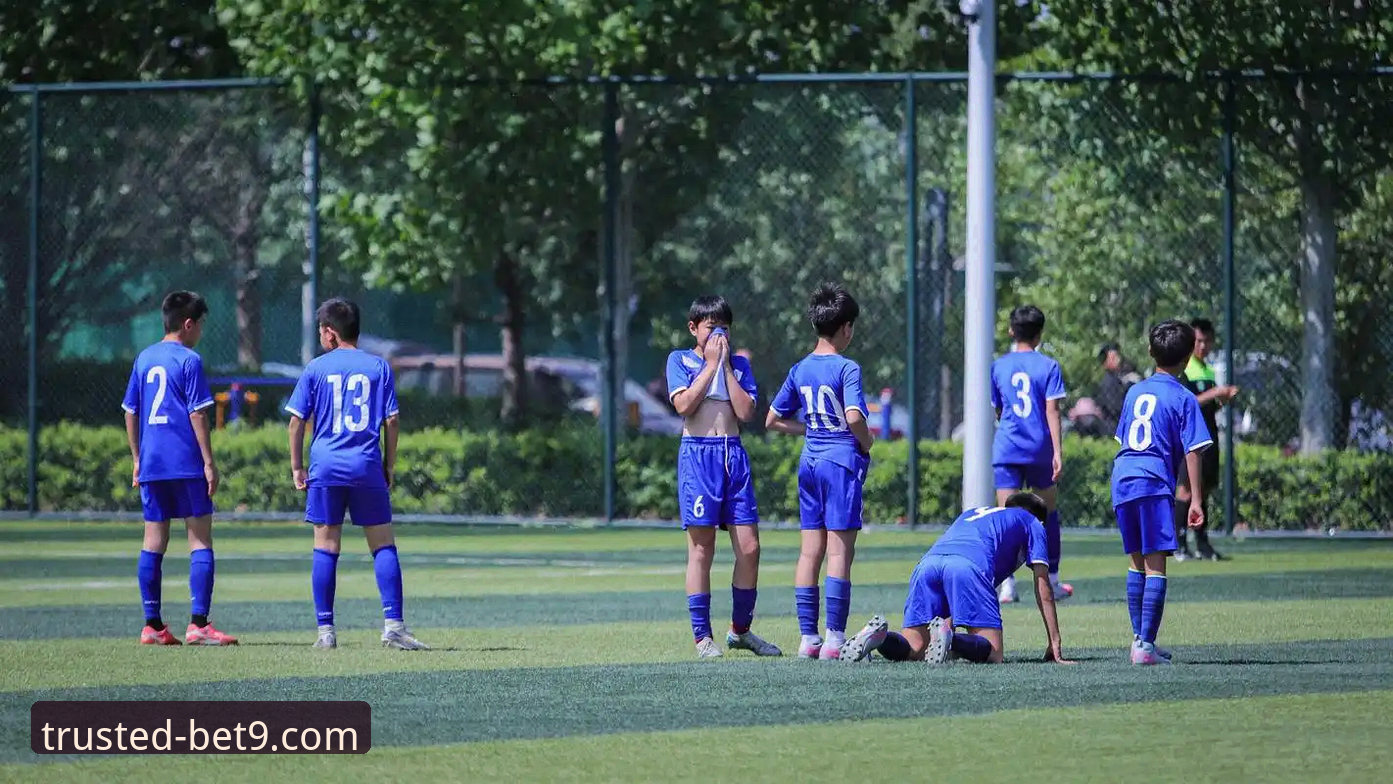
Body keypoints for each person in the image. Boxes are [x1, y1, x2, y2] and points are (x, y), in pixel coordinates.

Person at [285, 297, 428, 651]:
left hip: (326, 468)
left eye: (321, 330)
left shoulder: (316, 368)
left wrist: (297, 466)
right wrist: (389, 465)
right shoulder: (378, 367)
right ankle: (394, 626)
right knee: (382, 545)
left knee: (326, 545)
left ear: (330, 333)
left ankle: (326, 632)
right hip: (366, 465)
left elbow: (295, 422)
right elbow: (391, 420)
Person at [665, 295, 780, 658]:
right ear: (693, 328)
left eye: (724, 329)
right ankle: (703, 637)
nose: (718, 335)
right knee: (702, 548)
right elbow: (683, 405)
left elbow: (747, 412)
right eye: (711, 327)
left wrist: (726, 367)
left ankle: (740, 630)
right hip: (698, 458)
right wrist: (710, 364)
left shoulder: (739, 364)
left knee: (750, 548)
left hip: (733, 457)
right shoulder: (679, 360)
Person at [122, 290, 237, 646]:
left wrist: (137, 457)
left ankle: (152, 626)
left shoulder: (144, 358)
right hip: (186, 462)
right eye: (200, 324)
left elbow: (130, 411)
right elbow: (198, 412)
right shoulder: (189, 360)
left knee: (153, 541)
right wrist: (208, 462)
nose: (201, 331)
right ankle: (199, 624)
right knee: (200, 539)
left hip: (153, 463)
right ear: (188, 325)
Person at [766, 284, 874, 660]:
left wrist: (810, 430)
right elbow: (854, 417)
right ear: (845, 327)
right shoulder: (848, 367)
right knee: (840, 552)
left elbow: (773, 419)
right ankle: (834, 639)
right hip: (840, 463)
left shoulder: (800, 368)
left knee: (809, 551)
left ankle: (808, 638)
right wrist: (866, 441)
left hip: (809, 463)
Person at [839, 493, 1072, 665]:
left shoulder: (975, 514)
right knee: (993, 653)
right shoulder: (1033, 523)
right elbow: (1044, 587)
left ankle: (879, 638)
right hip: (967, 566)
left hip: (927, 564)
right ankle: (953, 641)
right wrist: (1054, 641)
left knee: (914, 649)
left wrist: (944, 626)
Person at [1111, 320, 1212, 665]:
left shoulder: (1135, 391)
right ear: (1186, 361)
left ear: (1151, 353)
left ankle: (1140, 639)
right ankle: (1144, 646)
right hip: (1154, 481)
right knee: (1156, 566)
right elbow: (1194, 450)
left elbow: (1124, 439)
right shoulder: (1184, 397)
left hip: (1123, 478)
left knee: (1135, 562)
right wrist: (1196, 498)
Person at [990, 305, 1070, 604]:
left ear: (1012, 331)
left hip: (1008, 447)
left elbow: (999, 408)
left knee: (1006, 517)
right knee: (1047, 514)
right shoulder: (1048, 366)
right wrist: (1057, 452)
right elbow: (1053, 410)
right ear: (1040, 334)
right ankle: (1053, 580)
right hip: (1039, 448)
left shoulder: (998, 366)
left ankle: (1006, 584)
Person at [1175, 318, 1239, 561]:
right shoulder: (1184, 369)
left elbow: (1208, 407)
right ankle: (1179, 543)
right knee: (1185, 489)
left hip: (1208, 436)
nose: (1202, 346)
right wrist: (1215, 392)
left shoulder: (1208, 371)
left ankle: (1202, 542)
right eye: (1198, 341)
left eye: (1207, 341)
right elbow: (1186, 403)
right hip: (1187, 439)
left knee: (1205, 490)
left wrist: (1222, 400)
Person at [1096, 342, 1141, 434]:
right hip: (1115, 428)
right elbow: (1114, 407)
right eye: (1112, 357)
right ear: (1105, 362)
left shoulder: (1126, 375)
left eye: (1117, 356)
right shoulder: (1108, 381)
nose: (1117, 360)